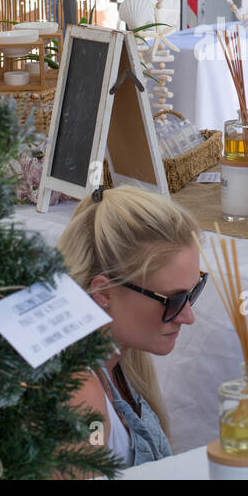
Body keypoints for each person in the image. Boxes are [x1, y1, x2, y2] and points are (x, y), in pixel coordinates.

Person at [60, 186, 205, 468]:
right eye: (173, 300)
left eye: (193, 292)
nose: (188, 316)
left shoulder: (115, 361)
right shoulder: (80, 399)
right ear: (104, 292)